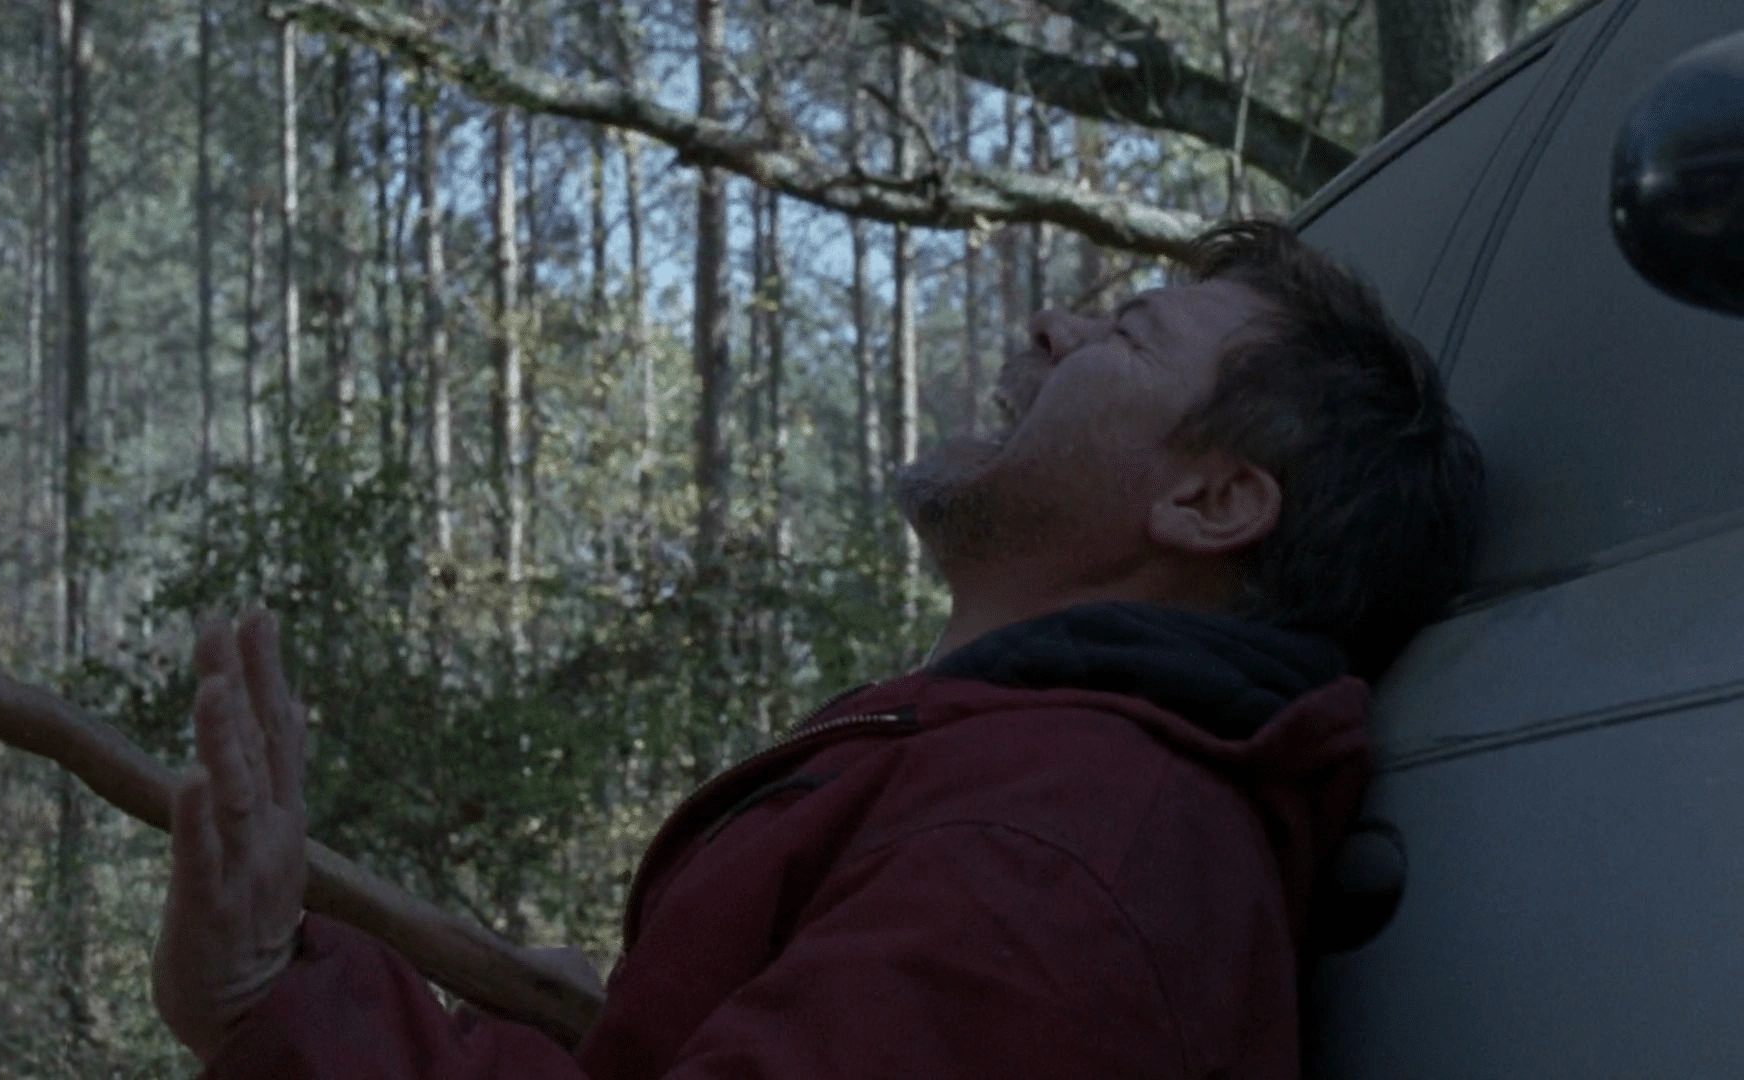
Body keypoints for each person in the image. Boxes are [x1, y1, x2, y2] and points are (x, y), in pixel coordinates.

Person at [150, 221, 1485, 1079]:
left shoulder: (1057, 859)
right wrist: (267, 994)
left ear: (1212, 502)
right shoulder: (1008, 788)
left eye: (1126, 334)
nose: (1051, 327)